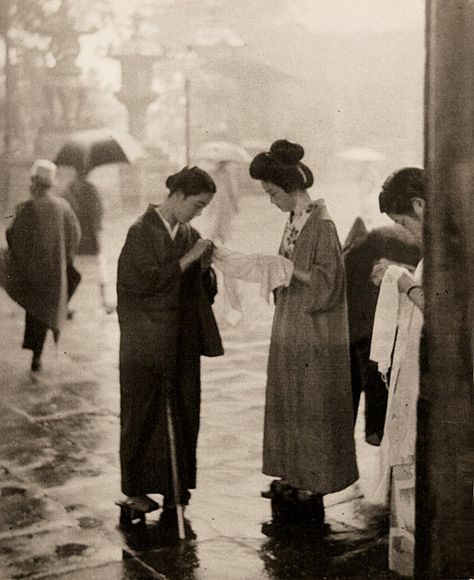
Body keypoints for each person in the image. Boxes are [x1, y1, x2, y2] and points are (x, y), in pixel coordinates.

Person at [249, 140, 358, 524]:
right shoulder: (296, 219)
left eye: (272, 193)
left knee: (311, 402)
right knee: (290, 397)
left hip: (313, 326)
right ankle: (294, 472)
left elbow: (330, 284)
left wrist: (286, 270)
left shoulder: (322, 224)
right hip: (293, 320)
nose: (271, 200)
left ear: (289, 188)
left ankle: (314, 478)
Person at [117, 166, 223, 518]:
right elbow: (139, 285)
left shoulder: (188, 233)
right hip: (145, 343)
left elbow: (202, 291)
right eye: (196, 204)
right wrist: (188, 260)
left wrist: (205, 269)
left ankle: (175, 490)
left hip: (181, 342)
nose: (199, 212)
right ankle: (136, 493)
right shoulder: (140, 232)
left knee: (182, 413)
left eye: (204, 207)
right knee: (143, 415)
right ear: (176, 196)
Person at [370, 167, 425, 577]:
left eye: (405, 223)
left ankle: (417, 552)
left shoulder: (451, 245)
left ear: (421, 206)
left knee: (414, 452)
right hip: (416, 372)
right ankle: (409, 548)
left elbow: (444, 311)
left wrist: (403, 282)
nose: (407, 233)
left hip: (429, 376)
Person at [343, 213, 420, 445]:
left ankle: (374, 434)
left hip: (365, 328)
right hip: (387, 327)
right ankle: (377, 433)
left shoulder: (368, 244)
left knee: (368, 380)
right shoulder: (405, 241)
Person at [4, 159, 81, 376]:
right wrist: (66, 259)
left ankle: (36, 355)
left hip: (33, 274)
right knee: (49, 309)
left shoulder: (26, 207)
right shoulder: (63, 207)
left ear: (34, 184)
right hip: (57, 273)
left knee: (35, 312)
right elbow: (76, 235)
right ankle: (39, 352)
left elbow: (12, 236)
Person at [64, 169, 113, 313]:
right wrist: (97, 225)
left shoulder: (69, 190)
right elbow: (97, 212)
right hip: (90, 237)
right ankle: (104, 301)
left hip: (74, 237)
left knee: (71, 269)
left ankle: (65, 305)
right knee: (100, 268)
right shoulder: (91, 190)